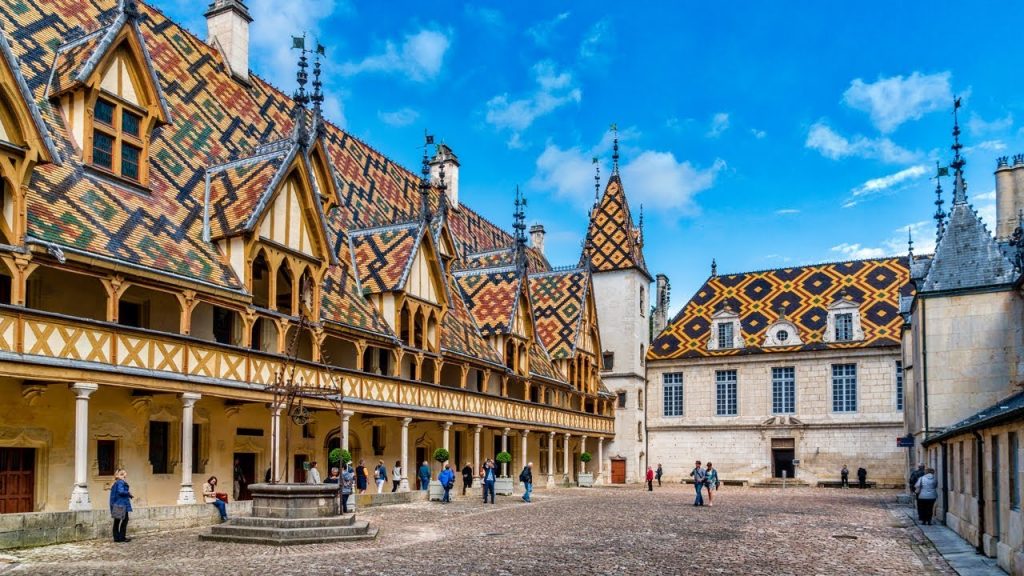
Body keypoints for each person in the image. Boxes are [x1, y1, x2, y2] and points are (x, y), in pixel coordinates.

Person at [109, 468, 133, 542]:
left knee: (117, 521)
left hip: (117, 504)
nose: (125, 475)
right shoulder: (120, 482)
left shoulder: (116, 482)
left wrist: (129, 495)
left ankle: (117, 538)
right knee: (125, 520)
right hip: (121, 504)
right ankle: (122, 537)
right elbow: (121, 491)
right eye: (123, 474)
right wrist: (128, 493)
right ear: (120, 475)